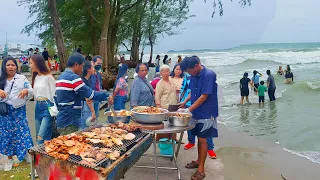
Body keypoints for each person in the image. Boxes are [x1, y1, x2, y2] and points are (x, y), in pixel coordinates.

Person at [178, 56, 218, 180]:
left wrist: (187, 110)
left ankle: (201, 169)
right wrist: (185, 102)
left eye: (190, 71)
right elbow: (192, 91)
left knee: (203, 140)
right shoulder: (194, 75)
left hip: (207, 113)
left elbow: (204, 96)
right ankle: (198, 161)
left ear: (196, 66)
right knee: (198, 138)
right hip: (196, 111)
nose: (189, 73)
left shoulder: (209, 75)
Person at [56, 53, 109, 135]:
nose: (82, 69)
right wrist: (107, 96)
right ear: (76, 64)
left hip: (62, 119)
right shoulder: (73, 77)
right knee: (72, 145)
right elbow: (90, 94)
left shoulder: (61, 76)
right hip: (70, 121)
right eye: (82, 66)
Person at [0, 56, 34, 171]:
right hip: (5, 112)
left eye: (13, 65)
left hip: (19, 111)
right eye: (8, 65)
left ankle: (25, 155)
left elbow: (31, 91)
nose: (11, 67)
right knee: (7, 135)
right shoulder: (1, 79)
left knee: (23, 133)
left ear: (16, 66)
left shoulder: (22, 78)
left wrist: (26, 91)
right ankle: (9, 159)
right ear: (4, 67)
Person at [182, 73, 217, 159]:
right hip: (190, 105)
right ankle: (191, 141)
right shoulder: (189, 77)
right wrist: (184, 101)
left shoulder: (207, 78)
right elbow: (189, 90)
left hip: (204, 108)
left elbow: (204, 97)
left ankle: (210, 148)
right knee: (191, 126)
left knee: (207, 129)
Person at [29, 54, 55, 144]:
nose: (30, 65)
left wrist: (54, 110)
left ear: (37, 63)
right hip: (38, 107)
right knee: (39, 136)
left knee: (41, 136)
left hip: (47, 106)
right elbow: (34, 93)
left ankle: (41, 157)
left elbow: (54, 94)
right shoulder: (36, 77)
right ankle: (43, 157)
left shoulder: (48, 77)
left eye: (31, 63)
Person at [80, 61, 96, 130]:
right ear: (88, 69)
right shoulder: (84, 81)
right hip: (85, 106)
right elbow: (87, 99)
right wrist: (93, 112)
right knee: (85, 128)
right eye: (92, 67)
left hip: (85, 105)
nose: (94, 68)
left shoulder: (88, 79)